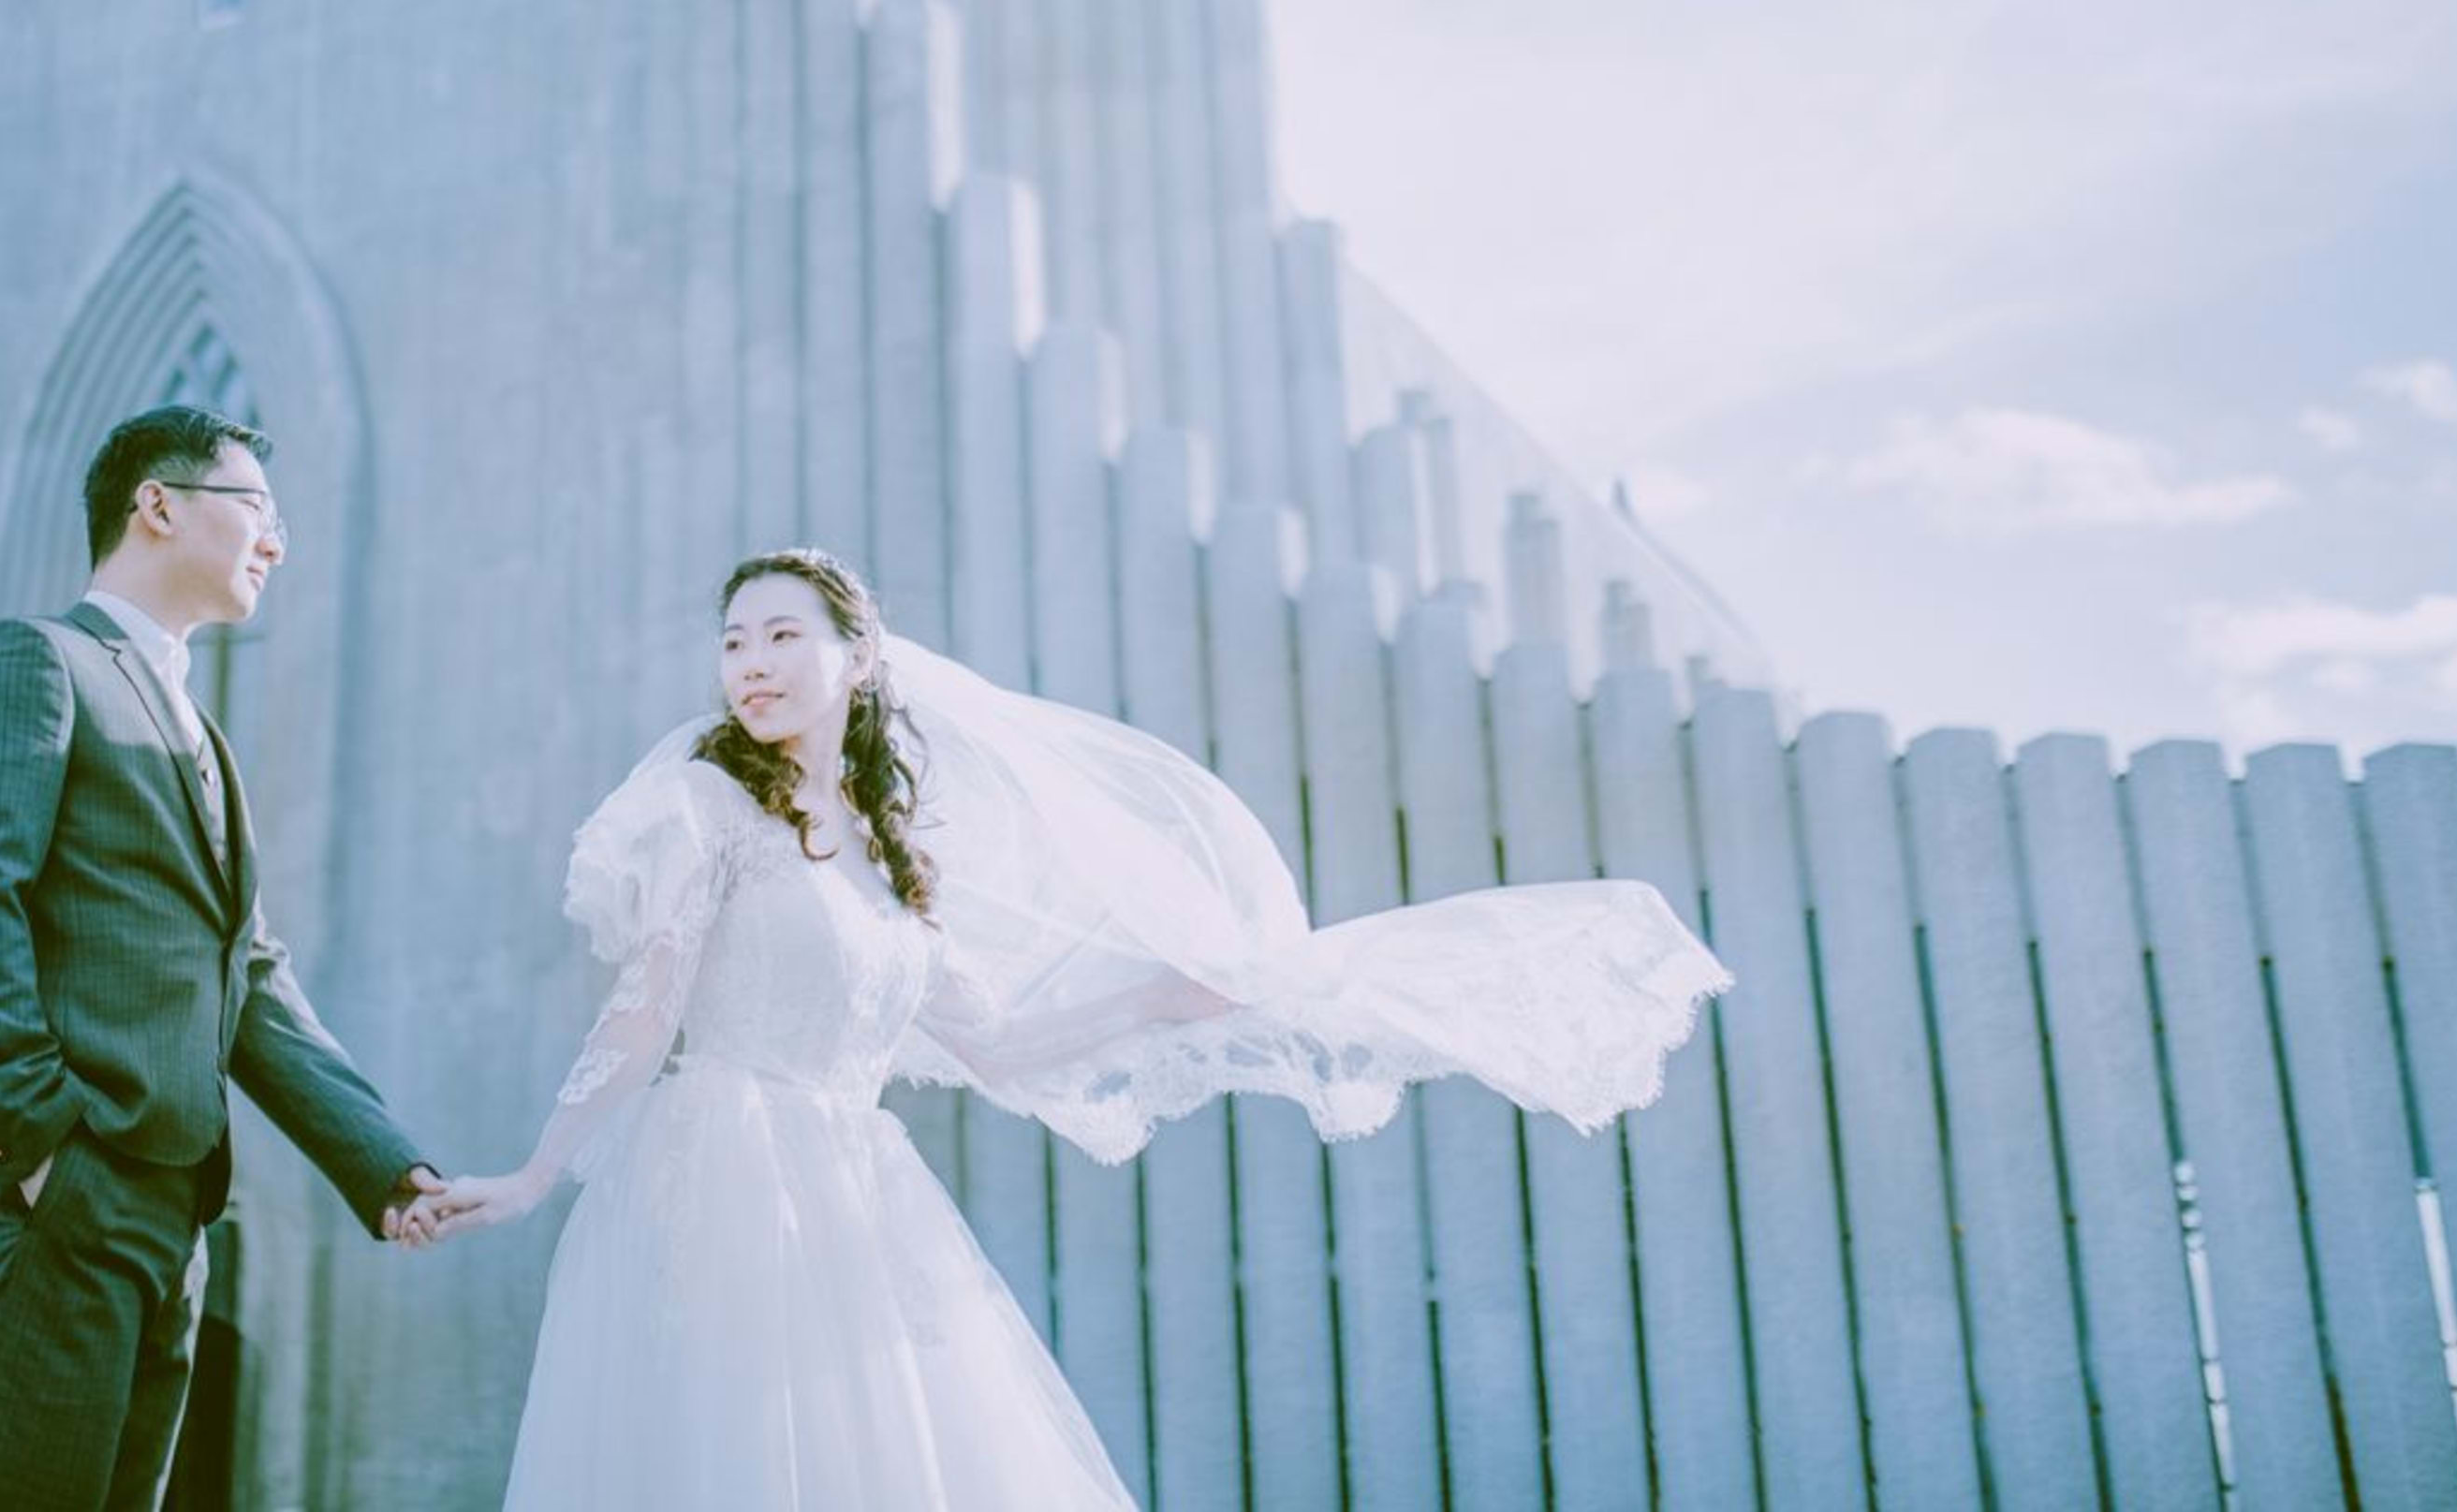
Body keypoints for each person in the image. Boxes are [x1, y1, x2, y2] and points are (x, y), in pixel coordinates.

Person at [419, 547, 1737, 1509]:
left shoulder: (890, 863)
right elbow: (644, 1006)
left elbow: (998, 1046)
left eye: (780, 637)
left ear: (856, 657)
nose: (751, 665)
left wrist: (1173, 993)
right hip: (715, 1168)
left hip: (854, 1188)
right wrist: (540, 1171)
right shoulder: (704, 810)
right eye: (732, 642)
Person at [0, 404, 450, 1512]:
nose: (278, 540)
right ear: (156, 505)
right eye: (256, 507)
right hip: (54, 1199)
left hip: (171, 1225)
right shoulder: (36, 662)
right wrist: (38, 1138)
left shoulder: (204, 740)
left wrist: (385, 1168)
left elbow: (246, 978)